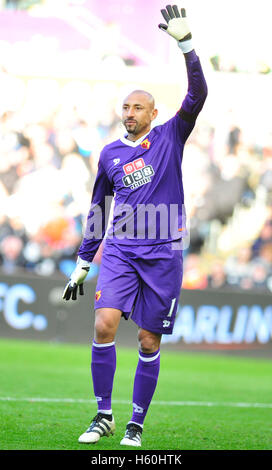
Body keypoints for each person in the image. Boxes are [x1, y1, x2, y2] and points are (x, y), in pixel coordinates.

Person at [63, 5, 207, 447]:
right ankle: (103, 415)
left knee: (147, 340)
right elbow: (98, 209)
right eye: (125, 107)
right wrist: (84, 262)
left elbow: (198, 95)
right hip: (122, 250)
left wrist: (186, 47)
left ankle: (135, 424)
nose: (129, 113)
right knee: (104, 324)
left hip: (163, 252)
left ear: (152, 112)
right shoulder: (108, 154)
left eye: (137, 107)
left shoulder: (170, 135)